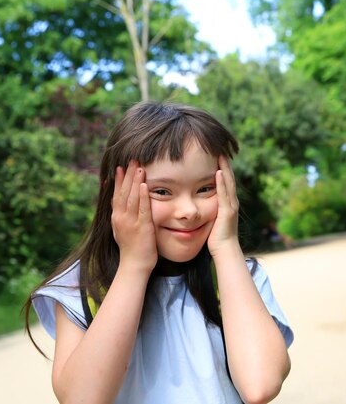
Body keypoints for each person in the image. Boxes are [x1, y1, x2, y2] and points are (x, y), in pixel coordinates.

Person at [24, 101, 294, 404]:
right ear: (114, 194)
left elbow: (261, 386)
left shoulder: (239, 276)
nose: (189, 211)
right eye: (162, 191)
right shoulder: (81, 287)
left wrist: (227, 246)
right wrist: (134, 266)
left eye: (205, 188)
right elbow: (82, 398)